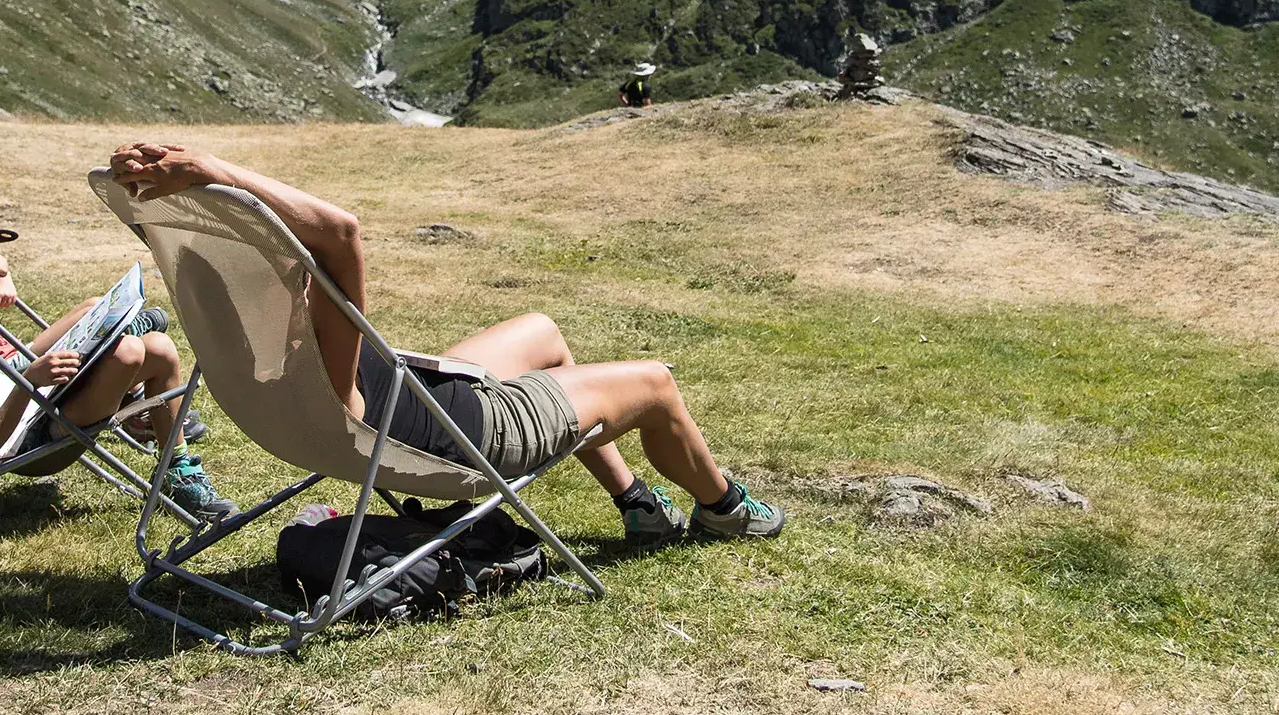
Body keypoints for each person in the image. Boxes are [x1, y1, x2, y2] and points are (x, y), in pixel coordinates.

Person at [106, 142, 783, 543]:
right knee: (656, 385)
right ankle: (724, 509)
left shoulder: (243, 340)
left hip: (414, 396)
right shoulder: (322, 346)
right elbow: (341, 232)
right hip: (460, 434)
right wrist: (206, 168)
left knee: (543, 333)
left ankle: (636, 503)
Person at [0, 192, 234, 520]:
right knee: (131, 351)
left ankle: (177, 472)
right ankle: (115, 357)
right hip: (33, 437)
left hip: (37, 399)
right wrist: (29, 380)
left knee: (161, 349)